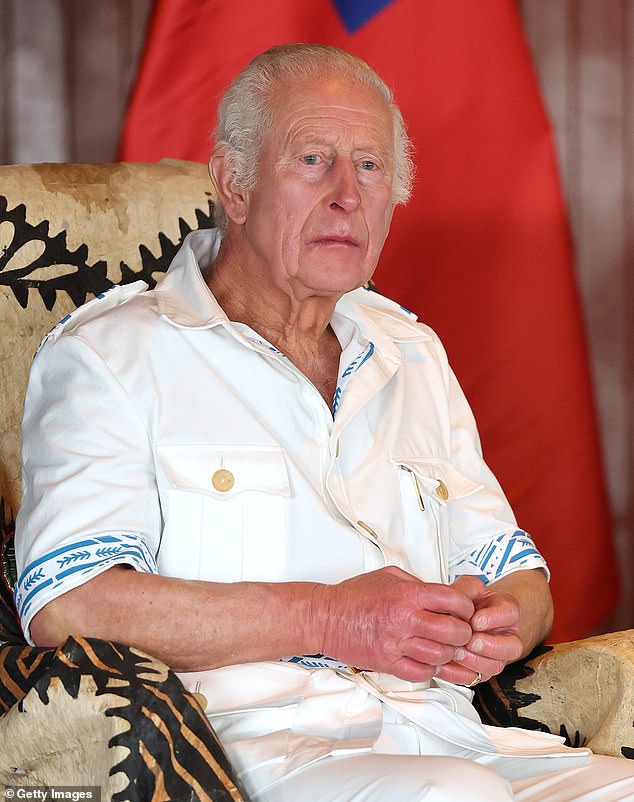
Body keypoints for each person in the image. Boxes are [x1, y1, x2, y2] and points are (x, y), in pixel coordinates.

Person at [13, 43, 634, 801]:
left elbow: (515, 569)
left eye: (370, 167)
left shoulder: (412, 351)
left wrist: (501, 618)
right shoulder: (110, 356)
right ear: (234, 185)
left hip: (453, 736)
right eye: (313, 159)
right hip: (253, 755)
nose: (348, 194)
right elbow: (69, 602)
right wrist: (334, 619)